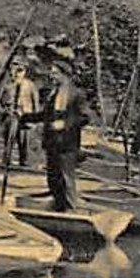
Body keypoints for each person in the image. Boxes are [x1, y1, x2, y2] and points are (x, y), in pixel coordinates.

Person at [39, 42, 90, 211]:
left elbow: (85, 117)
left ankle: (72, 208)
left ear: (64, 75)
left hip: (67, 143)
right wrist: (24, 118)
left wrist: (66, 125)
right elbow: (46, 115)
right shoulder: (52, 94)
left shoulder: (76, 94)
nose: (51, 76)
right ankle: (58, 205)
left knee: (67, 177)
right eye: (51, 73)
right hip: (52, 141)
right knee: (53, 177)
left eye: (54, 73)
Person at [3, 56, 43, 172]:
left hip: (25, 117)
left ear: (25, 71)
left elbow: (36, 103)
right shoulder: (7, 85)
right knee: (9, 141)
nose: (17, 74)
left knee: (24, 142)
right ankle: (6, 164)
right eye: (14, 70)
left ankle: (25, 164)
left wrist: (35, 119)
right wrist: (3, 110)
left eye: (20, 71)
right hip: (11, 116)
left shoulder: (30, 85)